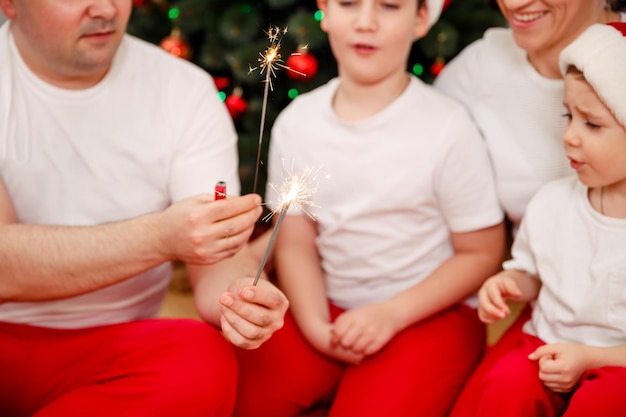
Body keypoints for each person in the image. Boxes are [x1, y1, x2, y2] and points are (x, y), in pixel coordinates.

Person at [0, 1, 288, 416]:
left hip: (116, 347)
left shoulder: (183, 90)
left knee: (199, 361)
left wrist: (240, 294)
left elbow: (215, 261)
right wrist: (160, 237)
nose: (104, 9)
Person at [232, 0, 506, 416]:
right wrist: (316, 327)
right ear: (325, 10)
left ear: (420, 20)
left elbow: (481, 253)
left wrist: (392, 314)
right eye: (348, 3)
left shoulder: (448, 128)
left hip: (429, 315)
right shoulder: (297, 123)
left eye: (389, 6)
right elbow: (295, 244)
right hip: (327, 305)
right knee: (243, 397)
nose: (365, 22)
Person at [433, 2, 626, 414]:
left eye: (590, 124)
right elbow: (536, 271)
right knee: (503, 389)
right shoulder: (554, 203)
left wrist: (592, 359)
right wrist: (512, 284)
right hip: (547, 336)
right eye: (566, 116)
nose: (569, 137)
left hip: (614, 359)